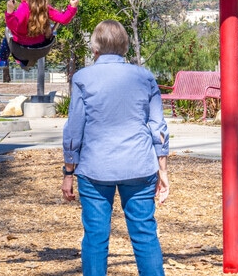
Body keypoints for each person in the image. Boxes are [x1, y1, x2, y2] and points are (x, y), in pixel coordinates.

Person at [61, 20, 170, 276]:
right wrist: (163, 169)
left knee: (95, 238)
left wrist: (68, 172)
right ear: (125, 46)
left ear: (94, 48)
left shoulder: (82, 78)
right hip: (139, 166)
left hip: (95, 168)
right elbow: (158, 126)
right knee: (145, 235)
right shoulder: (144, 77)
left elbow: (74, 129)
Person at [0, 0, 79, 75]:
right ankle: (23, 62)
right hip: (41, 48)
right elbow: (64, 19)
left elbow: (13, 26)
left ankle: (2, 59)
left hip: (20, 49)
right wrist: (72, 7)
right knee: (48, 26)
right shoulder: (45, 7)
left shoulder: (22, 10)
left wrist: (10, 11)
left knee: (8, 33)